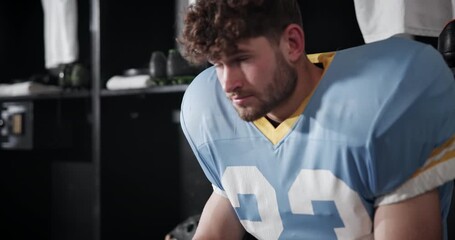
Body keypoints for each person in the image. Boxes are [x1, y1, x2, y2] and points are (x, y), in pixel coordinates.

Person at [177, 0, 455, 239]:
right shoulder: (214, 108)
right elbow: (218, 222)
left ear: (292, 43)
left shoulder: (386, 101)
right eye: (218, 64)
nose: (228, 83)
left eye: (241, 59)